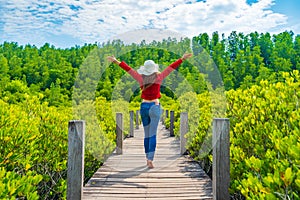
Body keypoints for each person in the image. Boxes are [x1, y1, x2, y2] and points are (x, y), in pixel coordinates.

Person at [107, 53, 192, 168]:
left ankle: (147, 156)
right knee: (152, 135)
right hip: (155, 107)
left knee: (146, 134)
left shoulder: (140, 78)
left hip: (144, 107)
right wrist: (182, 59)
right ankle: (150, 159)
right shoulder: (159, 77)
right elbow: (171, 68)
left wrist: (115, 61)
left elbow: (128, 69)